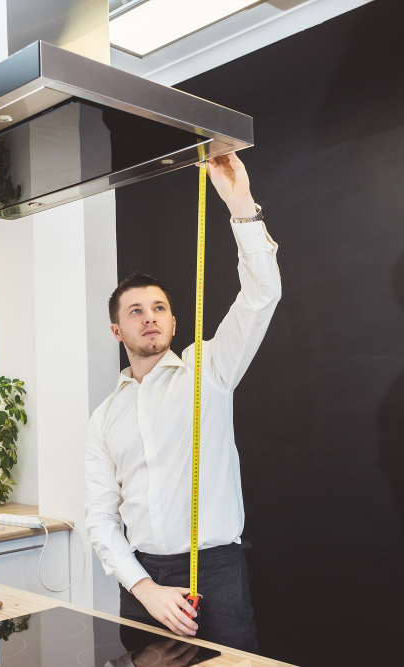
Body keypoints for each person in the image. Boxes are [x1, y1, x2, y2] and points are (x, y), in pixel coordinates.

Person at [85, 153, 281, 651]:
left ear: (174, 323)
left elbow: (261, 297)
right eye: (135, 311)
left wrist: (242, 208)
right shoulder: (105, 417)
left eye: (159, 309)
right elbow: (101, 519)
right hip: (141, 580)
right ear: (117, 330)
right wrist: (145, 588)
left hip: (217, 573)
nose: (149, 317)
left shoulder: (209, 370)